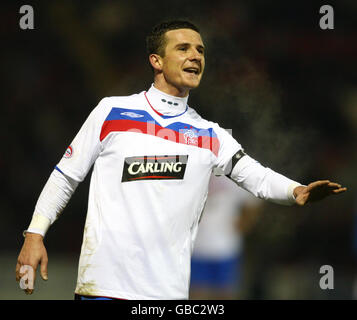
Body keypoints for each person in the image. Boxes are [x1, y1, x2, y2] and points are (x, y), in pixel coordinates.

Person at [15, 20, 347, 300]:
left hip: (168, 295)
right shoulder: (112, 112)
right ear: (156, 61)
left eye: (200, 50)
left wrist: (295, 191)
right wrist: (34, 235)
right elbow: (66, 175)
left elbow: (256, 176)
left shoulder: (210, 134)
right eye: (184, 48)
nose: (196, 56)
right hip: (104, 286)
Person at [190, 173, 262, 300]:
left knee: (226, 293)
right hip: (197, 248)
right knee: (197, 294)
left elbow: (253, 201)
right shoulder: (193, 172)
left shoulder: (233, 172)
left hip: (226, 247)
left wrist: (244, 224)